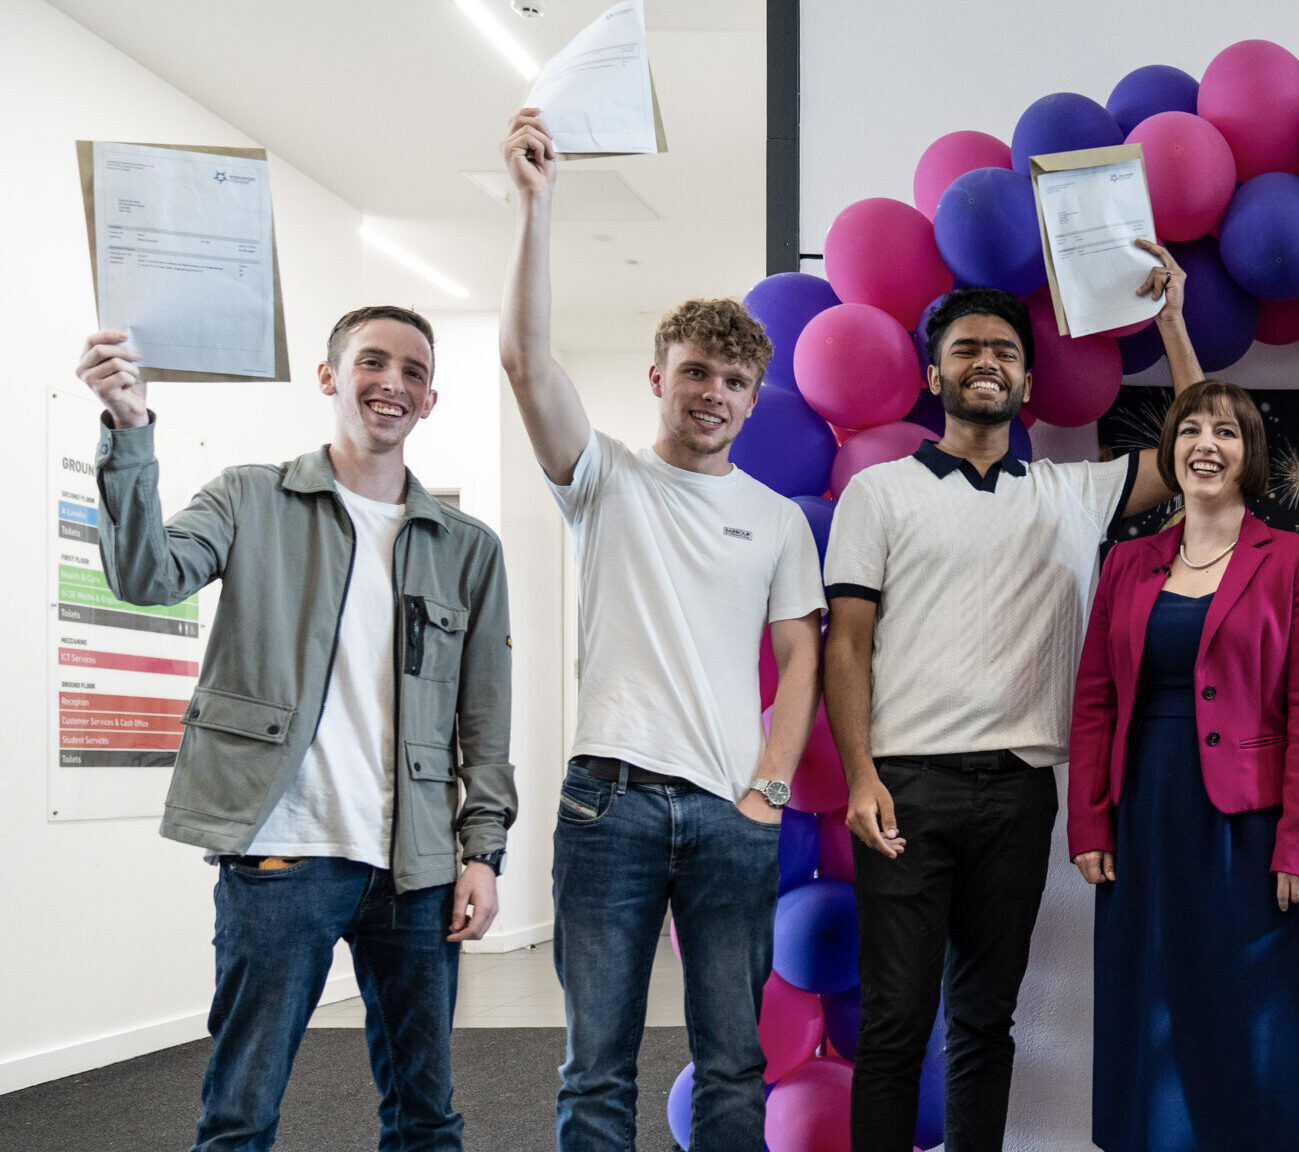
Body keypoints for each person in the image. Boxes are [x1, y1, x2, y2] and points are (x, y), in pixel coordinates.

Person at [76, 307, 514, 1152]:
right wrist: (130, 427)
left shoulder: (468, 546)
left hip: (416, 867)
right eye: (372, 362)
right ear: (329, 376)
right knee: (241, 1112)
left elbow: (484, 721)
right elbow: (145, 575)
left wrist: (482, 854)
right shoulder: (249, 496)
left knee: (427, 1112)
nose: (393, 382)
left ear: (429, 400)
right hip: (283, 853)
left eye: (414, 372)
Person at [824, 248, 1200, 1152]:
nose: (984, 360)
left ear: (1027, 380)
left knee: (987, 1021)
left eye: (1003, 349)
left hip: (1022, 791)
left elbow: (1198, 448)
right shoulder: (879, 491)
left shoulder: (1072, 491)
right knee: (895, 1025)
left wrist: (1172, 322)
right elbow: (848, 643)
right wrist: (861, 776)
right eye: (964, 349)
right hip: (905, 791)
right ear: (933, 373)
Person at [500, 109, 824, 1152]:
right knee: (596, 1067)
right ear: (658, 378)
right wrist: (535, 207)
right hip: (610, 809)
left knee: (735, 1061)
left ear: (753, 394)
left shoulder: (775, 519)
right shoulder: (605, 480)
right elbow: (522, 357)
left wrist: (770, 785)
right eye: (695, 372)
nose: (714, 394)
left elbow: (801, 654)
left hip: (731, 818)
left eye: (734, 381)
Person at [1066, 379, 1299, 1151]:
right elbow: (1094, 701)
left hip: (1252, 827)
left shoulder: (1296, 559)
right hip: (1146, 816)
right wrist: (1089, 820)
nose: (1204, 445)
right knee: (1154, 999)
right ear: (1171, 451)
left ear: (1249, 454)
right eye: (1190, 430)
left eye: (1224, 432)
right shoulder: (1127, 562)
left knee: (1251, 1009)